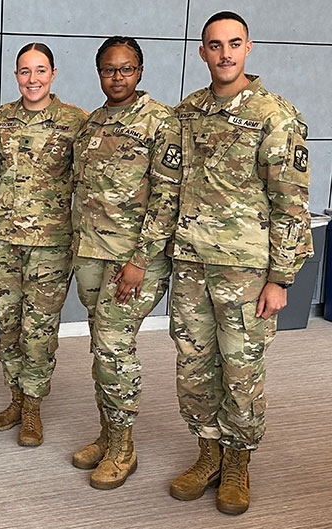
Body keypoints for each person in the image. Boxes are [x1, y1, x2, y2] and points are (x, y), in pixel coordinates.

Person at [168, 11, 311, 515]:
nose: (224, 53)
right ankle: (207, 452)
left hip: (245, 272)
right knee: (194, 364)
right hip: (190, 264)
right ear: (202, 52)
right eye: (214, 44)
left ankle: (238, 461)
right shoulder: (188, 112)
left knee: (242, 370)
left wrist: (282, 277)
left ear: (248, 48)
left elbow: (291, 202)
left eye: (234, 43)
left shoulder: (275, 115)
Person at [69, 37, 181, 488]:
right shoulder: (93, 122)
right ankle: (108, 431)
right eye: (109, 70)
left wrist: (140, 260)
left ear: (140, 70)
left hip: (134, 261)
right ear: (99, 73)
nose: (118, 77)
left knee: (114, 348)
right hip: (92, 254)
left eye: (127, 68)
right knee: (101, 346)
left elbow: (167, 196)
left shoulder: (160, 122)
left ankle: (124, 447)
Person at [0, 43, 87, 447]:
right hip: (2, 242)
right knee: (8, 325)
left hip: (51, 243)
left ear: (54, 73)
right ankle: (14, 398)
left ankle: (33, 409)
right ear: (15, 76)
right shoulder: (0, 119)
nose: (33, 79)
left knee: (39, 329)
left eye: (40, 70)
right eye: (25, 71)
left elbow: (89, 176)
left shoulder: (75, 120)